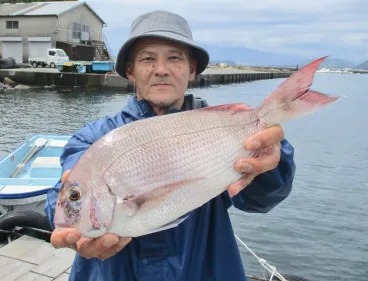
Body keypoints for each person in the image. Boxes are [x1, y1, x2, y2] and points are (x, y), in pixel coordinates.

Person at [45, 10, 295, 281]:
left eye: (174, 58)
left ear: (191, 69)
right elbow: (62, 196)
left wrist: (272, 161)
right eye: (148, 58)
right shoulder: (93, 138)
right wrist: (66, 217)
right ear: (131, 71)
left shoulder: (223, 132)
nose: (161, 69)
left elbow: (259, 200)